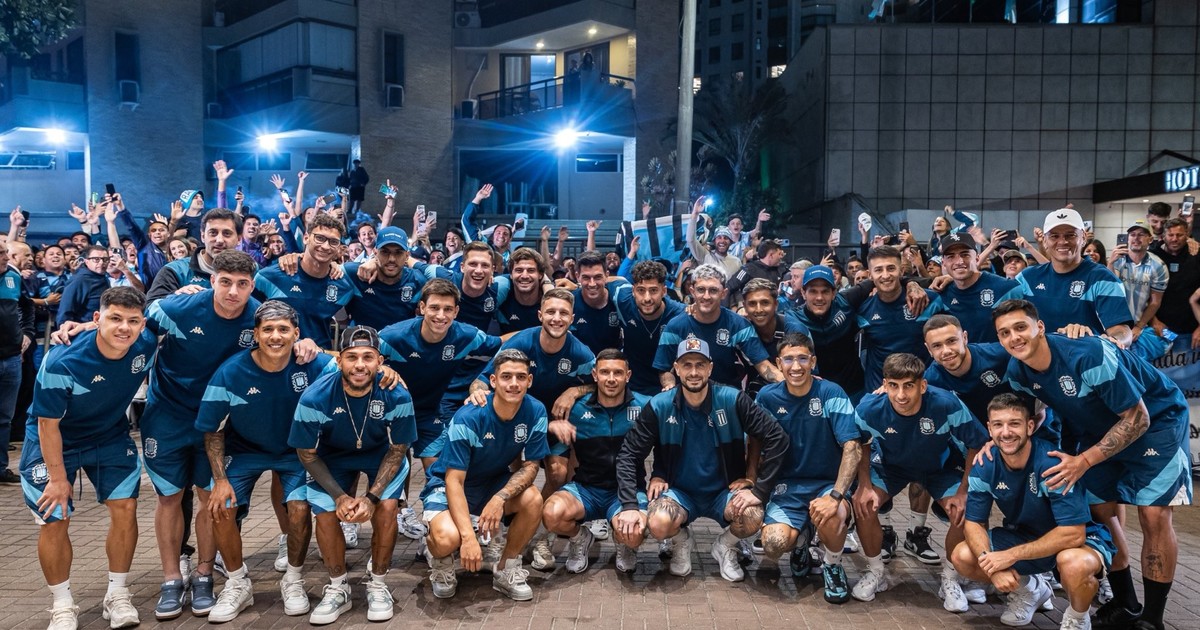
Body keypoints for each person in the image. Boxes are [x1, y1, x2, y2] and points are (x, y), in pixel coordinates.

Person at [994, 299, 1192, 630]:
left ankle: (1152, 619)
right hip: (1097, 429)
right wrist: (998, 443)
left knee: (1154, 514)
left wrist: (1083, 460)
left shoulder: (1088, 354)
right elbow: (1034, 416)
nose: (1014, 337)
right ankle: (1126, 603)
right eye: (1004, 333)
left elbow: (1137, 418)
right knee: (1098, 510)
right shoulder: (1018, 371)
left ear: (1039, 327)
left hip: (1157, 422)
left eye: (1020, 327)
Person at [121, 250, 263, 620]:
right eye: (225, 282)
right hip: (167, 415)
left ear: (253, 286)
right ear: (211, 280)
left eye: (242, 284)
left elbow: (287, 347)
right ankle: (171, 578)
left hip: (217, 421)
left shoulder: (258, 318)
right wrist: (85, 330)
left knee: (210, 498)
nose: (233, 292)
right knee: (169, 498)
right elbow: (128, 328)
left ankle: (203, 574)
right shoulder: (175, 308)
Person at [195, 301, 340, 622]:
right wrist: (220, 480)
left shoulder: (312, 364)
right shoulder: (231, 371)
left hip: (295, 452)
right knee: (221, 505)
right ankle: (237, 582)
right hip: (244, 451)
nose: (276, 336)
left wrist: (388, 372)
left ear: (296, 333)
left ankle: (293, 579)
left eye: (283, 329)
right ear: (256, 334)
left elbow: (353, 365)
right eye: (268, 329)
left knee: (299, 508)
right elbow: (213, 431)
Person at [22, 287, 156, 630]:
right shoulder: (62, 360)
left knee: (125, 507)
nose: (124, 328)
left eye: (133, 321)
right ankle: (62, 605)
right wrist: (57, 479)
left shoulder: (145, 343)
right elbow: (48, 424)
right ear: (97, 319)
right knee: (54, 517)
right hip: (55, 438)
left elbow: (175, 307)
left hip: (108, 435)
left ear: (142, 324)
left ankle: (117, 594)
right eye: (115, 319)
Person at [614, 338, 790, 582]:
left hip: (724, 491)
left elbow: (777, 438)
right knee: (658, 523)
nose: (694, 372)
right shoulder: (660, 405)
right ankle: (681, 541)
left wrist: (759, 488)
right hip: (680, 492)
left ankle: (725, 546)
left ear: (710, 368)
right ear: (676, 369)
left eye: (700, 365)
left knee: (752, 516)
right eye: (687, 365)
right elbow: (628, 454)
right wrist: (630, 503)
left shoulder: (732, 399)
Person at [952, 393, 1116, 630]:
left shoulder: (1052, 464)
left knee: (1074, 564)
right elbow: (974, 523)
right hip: (1026, 534)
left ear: (1030, 426)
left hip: (1076, 540)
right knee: (963, 555)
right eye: (998, 425)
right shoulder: (984, 464)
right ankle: (1029, 589)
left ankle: (1078, 619)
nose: (1006, 432)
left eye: (1014, 424)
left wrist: (1010, 556)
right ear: (989, 428)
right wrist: (993, 568)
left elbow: (1073, 534)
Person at [288, 325, 415, 624]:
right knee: (326, 513)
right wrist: (340, 497)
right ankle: (338, 587)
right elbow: (306, 454)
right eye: (352, 357)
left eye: (368, 357)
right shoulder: (315, 396)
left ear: (380, 361)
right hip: (331, 457)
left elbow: (398, 449)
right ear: (339, 360)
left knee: (386, 508)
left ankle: (378, 584)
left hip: (380, 455)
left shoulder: (396, 393)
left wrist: (371, 498)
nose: (360, 365)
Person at [850, 353, 989, 611]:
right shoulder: (869, 407)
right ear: (885, 384)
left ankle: (950, 579)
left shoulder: (947, 404)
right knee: (864, 505)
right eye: (893, 386)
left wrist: (964, 490)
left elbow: (977, 443)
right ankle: (876, 572)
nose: (901, 395)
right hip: (891, 467)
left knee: (964, 510)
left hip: (939, 468)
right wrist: (864, 483)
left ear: (922, 386)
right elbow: (861, 442)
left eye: (909, 386)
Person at [468, 289, 595, 570]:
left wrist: (574, 391)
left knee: (558, 473)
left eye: (563, 313)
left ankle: (540, 538)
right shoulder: (521, 342)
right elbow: (482, 379)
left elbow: (598, 382)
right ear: (540, 315)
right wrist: (476, 392)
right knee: (515, 476)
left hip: (556, 423)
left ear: (572, 318)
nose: (557, 318)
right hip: (518, 421)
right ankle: (507, 530)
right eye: (551, 312)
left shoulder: (580, 352)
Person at [377, 279, 503, 538]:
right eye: (434, 308)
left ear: (456, 311)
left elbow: (502, 344)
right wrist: (381, 367)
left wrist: (537, 334)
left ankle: (434, 526)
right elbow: (354, 355)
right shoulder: (393, 336)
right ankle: (398, 514)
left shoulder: (467, 335)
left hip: (429, 412)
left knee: (439, 473)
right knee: (389, 469)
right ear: (422, 308)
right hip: (390, 414)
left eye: (447, 309)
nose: (441, 315)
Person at [420, 349, 548, 601]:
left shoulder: (536, 411)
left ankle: (506, 568)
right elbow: (454, 480)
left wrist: (500, 497)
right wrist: (469, 538)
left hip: (492, 482)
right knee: (448, 539)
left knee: (533, 499)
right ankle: (439, 556)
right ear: (493, 380)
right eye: (506, 376)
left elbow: (531, 467)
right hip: (449, 484)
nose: (514, 384)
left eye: (521, 377)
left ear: (530, 381)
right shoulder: (469, 416)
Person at [755, 333, 861, 603]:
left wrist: (836, 496)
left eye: (803, 359)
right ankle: (801, 541)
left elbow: (852, 447)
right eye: (788, 359)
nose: (796, 366)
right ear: (778, 363)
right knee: (773, 544)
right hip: (787, 485)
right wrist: (752, 484)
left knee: (832, 516)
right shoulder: (767, 397)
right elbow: (754, 443)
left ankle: (832, 565)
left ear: (813, 362)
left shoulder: (831, 393)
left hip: (827, 484)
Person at [542, 349, 651, 573]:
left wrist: (660, 476)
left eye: (618, 373)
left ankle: (624, 543)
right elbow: (526, 431)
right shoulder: (576, 409)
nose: (611, 379)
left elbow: (670, 437)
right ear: (594, 375)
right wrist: (550, 426)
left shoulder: (644, 406)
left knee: (634, 533)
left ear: (628, 375)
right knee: (552, 514)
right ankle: (580, 538)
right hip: (586, 489)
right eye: (605, 372)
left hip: (626, 490)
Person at [923, 313, 1059, 444]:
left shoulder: (1001, 356)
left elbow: (1045, 356)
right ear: (929, 349)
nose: (946, 351)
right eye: (937, 346)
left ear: (964, 338)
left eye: (952, 341)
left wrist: (1068, 333)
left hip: (1035, 432)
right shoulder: (930, 382)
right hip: (983, 444)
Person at [1016, 208, 1134, 349]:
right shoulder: (1027, 278)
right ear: (1045, 241)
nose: (1062, 242)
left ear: (1083, 237)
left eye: (1070, 235)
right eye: (1054, 236)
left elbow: (1122, 331)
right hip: (1037, 358)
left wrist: (1109, 340)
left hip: (1082, 359)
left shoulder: (1103, 278)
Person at [653, 264, 781, 389]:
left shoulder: (738, 324)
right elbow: (664, 369)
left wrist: (788, 383)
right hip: (689, 396)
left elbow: (762, 365)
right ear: (692, 292)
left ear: (723, 293)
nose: (706, 296)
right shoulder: (675, 326)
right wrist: (669, 386)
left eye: (713, 290)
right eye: (701, 290)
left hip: (728, 395)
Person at [255, 213, 357, 351]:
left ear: (339, 246)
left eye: (333, 242)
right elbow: (248, 318)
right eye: (320, 238)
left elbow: (344, 322)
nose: (326, 246)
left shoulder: (344, 286)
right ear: (306, 238)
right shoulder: (269, 277)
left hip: (320, 359)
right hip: (275, 357)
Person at [856, 245, 945, 391]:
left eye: (891, 268)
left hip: (923, 388)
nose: (885, 275)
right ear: (870, 275)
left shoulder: (928, 300)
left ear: (901, 271)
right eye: (878, 270)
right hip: (880, 391)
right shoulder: (862, 309)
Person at [612, 260, 685, 396]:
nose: (647, 298)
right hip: (631, 388)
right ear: (633, 291)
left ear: (664, 291)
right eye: (641, 290)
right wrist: (577, 286)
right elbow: (607, 280)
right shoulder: (623, 300)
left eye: (653, 290)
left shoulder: (680, 314)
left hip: (669, 390)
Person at [937, 232, 1023, 344]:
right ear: (943, 263)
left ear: (977, 258)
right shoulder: (940, 294)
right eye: (951, 256)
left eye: (965, 255)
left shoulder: (1007, 289)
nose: (959, 262)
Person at [146, 208, 242, 303]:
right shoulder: (175, 270)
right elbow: (150, 308)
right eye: (213, 233)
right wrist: (177, 299)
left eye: (227, 233)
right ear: (203, 236)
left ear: (239, 239)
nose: (219, 240)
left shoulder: (249, 272)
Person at [1109, 219, 1172, 359]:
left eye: (1141, 234)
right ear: (1127, 238)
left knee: (1138, 365)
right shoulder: (1117, 260)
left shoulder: (1158, 266)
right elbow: (1110, 290)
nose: (1136, 238)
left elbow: (1155, 302)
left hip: (1138, 326)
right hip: (1113, 324)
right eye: (1132, 234)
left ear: (1150, 239)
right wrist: (1110, 264)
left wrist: (1139, 326)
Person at [343, 227, 426, 330]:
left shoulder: (417, 280)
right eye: (385, 252)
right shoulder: (355, 273)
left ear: (407, 256)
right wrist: (333, 266)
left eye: (398, 252)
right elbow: (327, 270)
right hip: (363, 339)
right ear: (375, 253)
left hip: (399, 340)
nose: (392, 259)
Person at [740, 278, 810, 396]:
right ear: (744, 306)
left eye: (765, 303)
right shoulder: (742, 330)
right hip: (755, 394)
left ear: (776, 304)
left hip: (797, 391)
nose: (759, 309)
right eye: (752, 304)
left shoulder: (794, 329)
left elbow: (806, 374)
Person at [0, 239, 33, 482]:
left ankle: (1, 468)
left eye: (5, 252)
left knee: (4, 418)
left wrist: (27, 334)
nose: (6, 257)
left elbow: (27, 307)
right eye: (1, 253)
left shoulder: (13, 277)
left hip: (11, 358)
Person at [1149, 217, 1200, 344]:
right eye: (1170, 235)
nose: (1175, 239)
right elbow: (1142, 293)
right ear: (1164, 236)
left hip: (1191, 332)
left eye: (1179, 235)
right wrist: (1153, 320)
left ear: (1187, 235)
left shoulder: (1196, 254)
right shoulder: (1151, 256)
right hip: (1160, 330)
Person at [686, 196, 742, 280]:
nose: (722, 241)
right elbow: (690, 240)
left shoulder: (736, 262)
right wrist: (695, 214)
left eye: (726, 238)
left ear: (730, 242)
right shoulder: (705, 255)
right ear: (714, 241)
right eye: (719, 237)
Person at [56, 244, 111, 325]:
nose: (101, 262)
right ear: (86, 261)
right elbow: (65, 312)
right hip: (83, 328)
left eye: (105, 259)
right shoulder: (79, 280)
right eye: (96, 259)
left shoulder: (104, 277)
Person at [725, 240, 787, 307]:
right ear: (771, 255)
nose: (781, 257)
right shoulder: (748, 269)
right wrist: (733, 308)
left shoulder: (781, 269)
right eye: (779, 254)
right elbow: (728, 288)